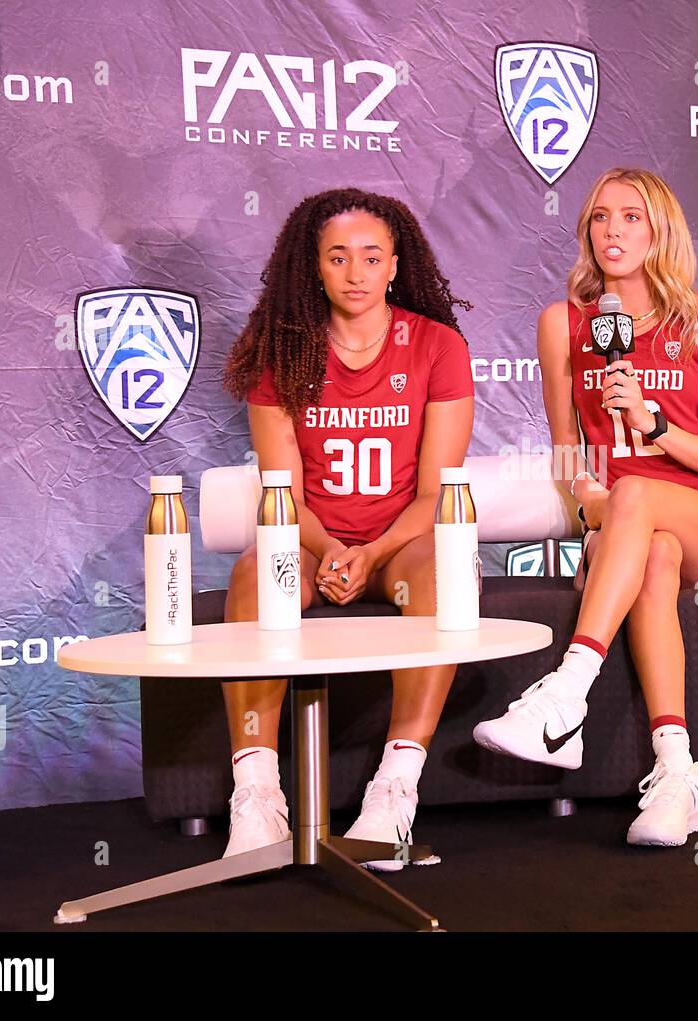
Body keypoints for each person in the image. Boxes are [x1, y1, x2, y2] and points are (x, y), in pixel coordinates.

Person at [473, 168, 698, 847]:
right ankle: (676, 775)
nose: (614, 231)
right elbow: (567, 448)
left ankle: (565, 692)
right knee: (651, 553)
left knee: (644, 503)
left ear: (660, 229)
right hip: (627, 528)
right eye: (601, 218)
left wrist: (654, 424)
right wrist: (585, 496)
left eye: (631, 217)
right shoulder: (564, 324)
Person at [221, 189, 474, 870]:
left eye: (370, 256)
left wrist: (371, 553)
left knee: (449, 570)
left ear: (396, 264)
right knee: (252, 573)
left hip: (399, 543)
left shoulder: (436, 346)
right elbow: (282, 495)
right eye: (338, 257)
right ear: (315, 267)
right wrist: (332, 548)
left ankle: (394, 792)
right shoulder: (281, 353)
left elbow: (437, 494)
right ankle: (258, 793)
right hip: (311, 542)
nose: (355, 272)